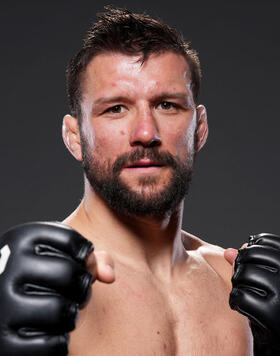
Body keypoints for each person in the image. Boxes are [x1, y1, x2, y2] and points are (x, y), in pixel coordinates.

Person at [0, 6, 280, 356]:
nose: (146, 133)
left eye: (167, 105)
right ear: (75, 137)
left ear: (200, 128)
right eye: (115, 108)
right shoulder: (41, 289)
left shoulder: (237, 289)